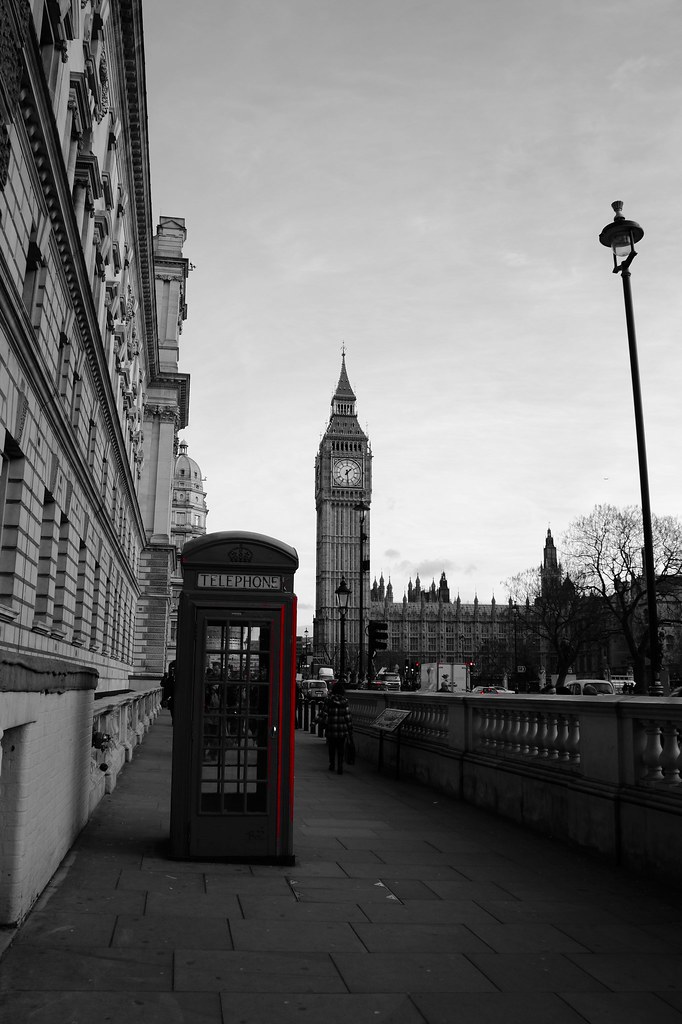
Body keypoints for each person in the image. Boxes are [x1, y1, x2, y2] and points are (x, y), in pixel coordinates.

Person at [324, 680, 353, 775]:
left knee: (331, 748)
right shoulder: (345, 702)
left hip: (331, 728)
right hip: (341, 730)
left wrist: (314, 722)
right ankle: (340, 766)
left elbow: (323, 713)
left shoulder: (328, 701)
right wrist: (350, 729)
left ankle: (332, 764)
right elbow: (347, 717)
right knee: (341, 749)